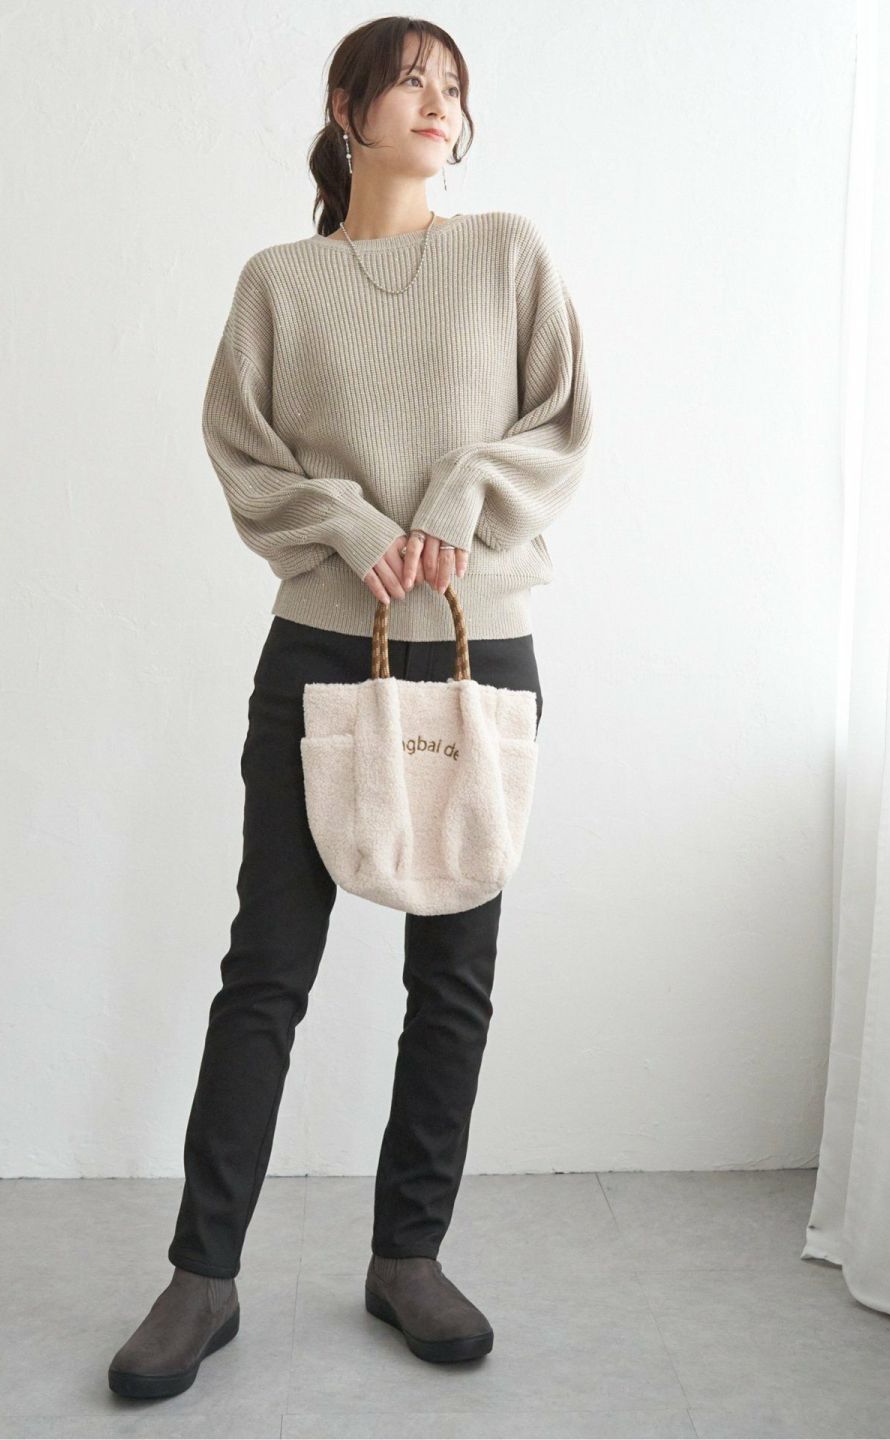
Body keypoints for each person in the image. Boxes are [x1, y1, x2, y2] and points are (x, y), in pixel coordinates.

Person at [108, 14, 592, 1400]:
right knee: (267, 968)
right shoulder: (281, 282)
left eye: (454, 86)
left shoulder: (508, 255)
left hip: (478, 651)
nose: (438, 103)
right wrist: (348, 519)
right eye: (410, 80)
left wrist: (454, 496)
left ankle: (408, 1258)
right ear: (346, 105)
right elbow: (242, 448)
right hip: (320, 649)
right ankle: (203, 1277)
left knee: (455, 976)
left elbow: (559, 423)